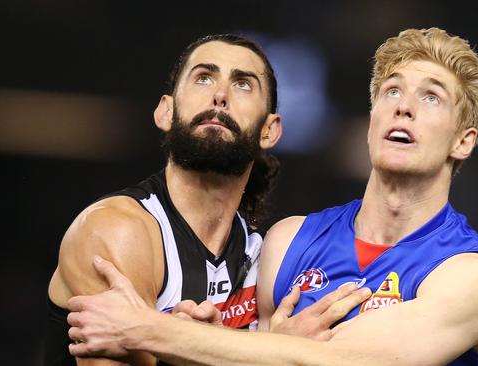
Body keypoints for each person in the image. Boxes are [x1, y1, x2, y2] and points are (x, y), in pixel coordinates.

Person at [65, 28, 478, 365]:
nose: (403, 105)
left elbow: (357, 362)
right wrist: (209, 343)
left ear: (463, 141)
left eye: (431, 98)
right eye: (391, 91)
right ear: (371, 120)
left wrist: (149, 329)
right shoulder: (287, 241)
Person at [45, 33, 370, 366]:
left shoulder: (263, 257)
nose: (220, 95)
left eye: (243, 84)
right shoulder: (117, 230)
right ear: (165, 111)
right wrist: (275, 353)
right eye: (203, 78)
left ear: (269, 131)